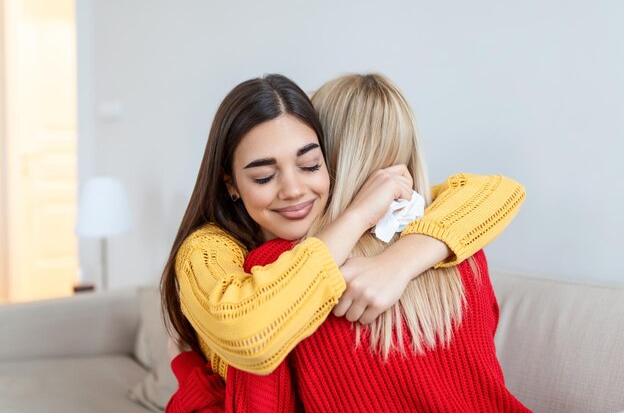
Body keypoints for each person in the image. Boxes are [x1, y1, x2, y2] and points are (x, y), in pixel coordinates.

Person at [161, 74, 527, 412]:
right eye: (264, 176)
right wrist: (362, 219)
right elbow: (251, 328)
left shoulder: (272, 266)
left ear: (331, 161)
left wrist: (187, 367)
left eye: (308, 166)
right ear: (229, 183)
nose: (292, 190)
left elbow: (497, 191)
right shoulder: (464, 252)